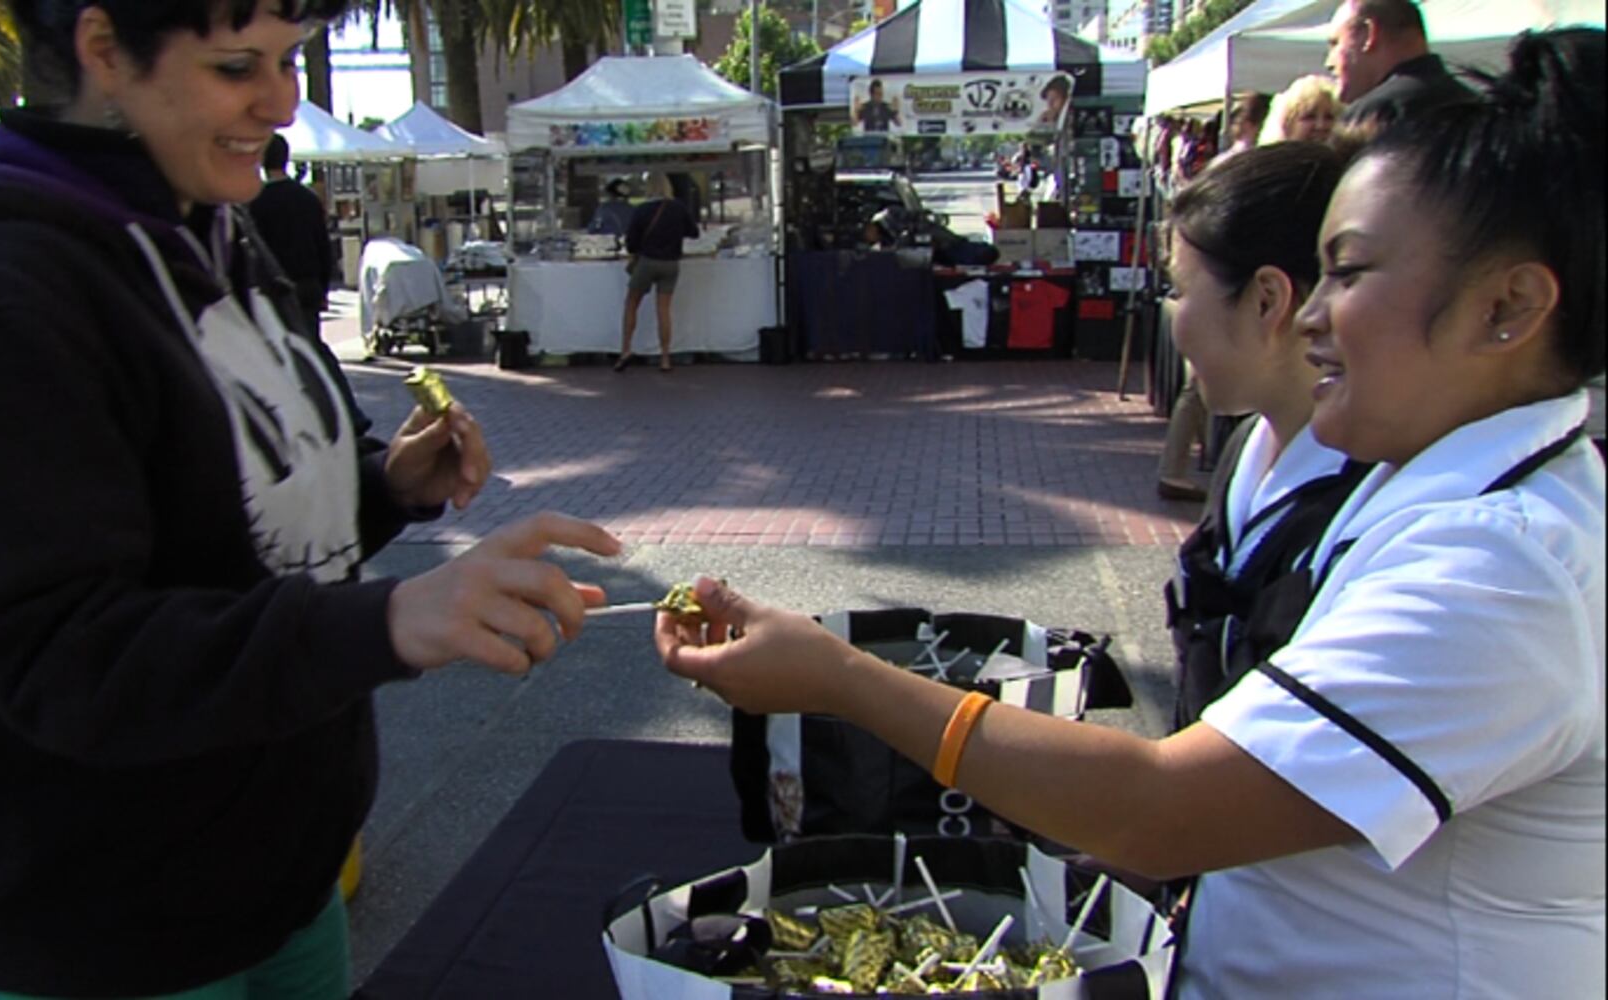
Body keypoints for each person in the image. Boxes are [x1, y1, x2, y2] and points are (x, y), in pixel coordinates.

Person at [656, 28, 1604, 997]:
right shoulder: (1439, 499)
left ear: (1508, 307)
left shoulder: (1501, 569)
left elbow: (1162, 809)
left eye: (1352, 271)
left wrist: (841, 679)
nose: (1316, 315)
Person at [0, 2, 620, 997]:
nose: (282, 100)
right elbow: (64, 657)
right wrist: (390, 619)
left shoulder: (208, 224)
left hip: (280, 893)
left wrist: (380, 486)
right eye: (238, 66)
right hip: (97, 935)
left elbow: (235, 527)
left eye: (292, 58)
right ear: (104, 50)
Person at [1158, 141, 1370, 729]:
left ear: (1267, 299)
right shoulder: (1245, 446)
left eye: (1180, 289)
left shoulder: (1374, 507)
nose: (1174, 318)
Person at [1326, 0, 1475, 127]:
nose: (1328, 63)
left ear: (1369, 35)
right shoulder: (1477, 105)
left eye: (1335, 43)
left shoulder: (1375, 115)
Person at [249, 132, 334, 337]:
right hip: (308, 284)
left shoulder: (255, 201)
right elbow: (323, 246)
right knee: (311, 341)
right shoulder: (308, 198)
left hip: (274, 289)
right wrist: (322, 287)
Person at [615, 172, 698, 374]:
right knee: (663, 310)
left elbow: (632, 242)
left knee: (631, 304)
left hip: (647, 261)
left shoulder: (642, 210)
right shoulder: (678, 207)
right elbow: (693, 232)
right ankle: (665, 357)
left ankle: (626, 350)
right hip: (670, 263)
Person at [1258, 74, 1344, 144]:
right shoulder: (1270, 163)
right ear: (1287, 124)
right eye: (1310, 117)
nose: (1320, 125)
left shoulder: (1351, 162)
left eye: (1329, 117)